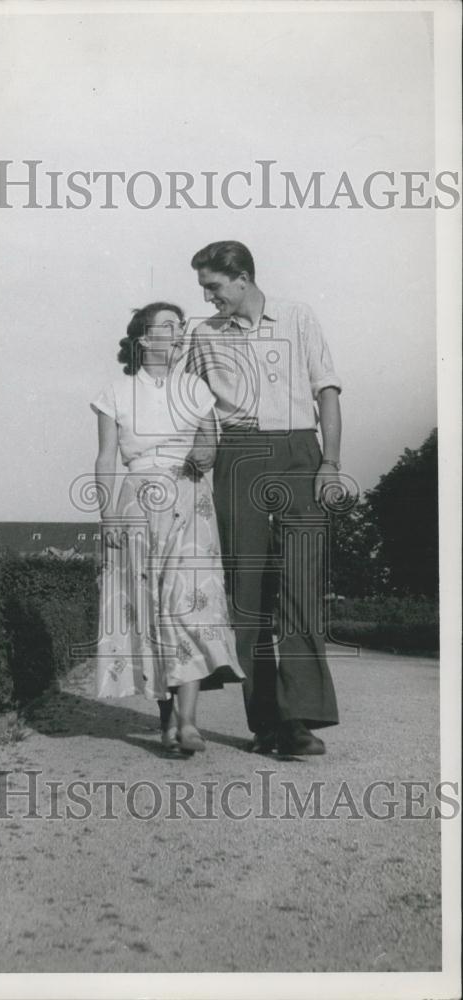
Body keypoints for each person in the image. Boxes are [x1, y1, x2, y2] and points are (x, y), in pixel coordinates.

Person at [187, 240, 342, 756]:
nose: (208, 298)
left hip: (301, 450)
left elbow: (327, 392)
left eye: (213, 286)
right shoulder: (202, 335)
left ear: (242, 278)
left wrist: (331, 464)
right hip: (240, 457)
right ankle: (267, 724)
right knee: (246, 594)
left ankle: (300, 720)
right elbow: (192, 407)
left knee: (301, 582)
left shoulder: (298, 317)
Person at [91, 302, 244, 753]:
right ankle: (167, 722)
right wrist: (108, 517)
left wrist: (206, 451)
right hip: (136, 500)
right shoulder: (114, 393)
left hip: (189, 498)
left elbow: (210, 437)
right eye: (168, 326)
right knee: (148, 610)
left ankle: (190, 721)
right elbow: (104, 458)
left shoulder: (195, 386)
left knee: (190, 607)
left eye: (180, 326)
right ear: (144, 339)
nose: (179, 332)